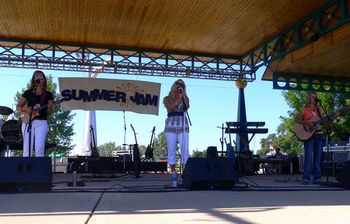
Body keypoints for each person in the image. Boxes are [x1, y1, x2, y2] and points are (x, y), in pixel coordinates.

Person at [17, 70, 54, 157]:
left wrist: (50, 107)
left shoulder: (48, 94)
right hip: (27, 122)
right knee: (26, 150)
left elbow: (49, 112)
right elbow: (18, 107)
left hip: (41, 122)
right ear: (34, 79)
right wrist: (27, 109)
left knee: (39, 149)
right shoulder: (28, 93)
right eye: (37, 77)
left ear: (44, 80)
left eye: (41, 77)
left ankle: (38, 170)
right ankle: (26, 170)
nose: (39, 79)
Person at [163, 79, 190, 187]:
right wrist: (178, 99)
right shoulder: (167, 98)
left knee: (185, 149)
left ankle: (185, 174)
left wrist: (183, 96)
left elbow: (187, 107)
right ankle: (173, 175)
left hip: (183, 124)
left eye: (182, 85)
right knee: (171, 150)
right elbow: (170, 109)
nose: (180, 86)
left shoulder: (184, 97)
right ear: (173, 85)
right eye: (178, 84)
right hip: (171, 125)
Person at [295, 92, 325, 184]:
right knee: (308, 158)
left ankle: (317, 178)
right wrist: (307, 123)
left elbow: (324, 121)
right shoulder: (304, 110)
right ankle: (306, 178)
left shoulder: (319, 110)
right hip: (308, 135)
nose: (314, 99)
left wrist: (333, 116)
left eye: (315, 97)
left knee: (318, 158)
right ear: (309, 98)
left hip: (319, 135)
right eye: (312, 97)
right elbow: (296, 120)